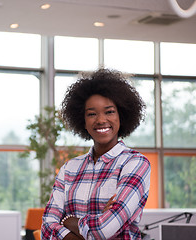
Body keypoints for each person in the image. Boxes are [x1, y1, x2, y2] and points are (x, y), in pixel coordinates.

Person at [41, 68, 151, 240]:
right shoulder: (69, 168)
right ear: (83, 121)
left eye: (109, 112)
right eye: (92, 114)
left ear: (120, 116)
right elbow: (47, 227)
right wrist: (96, 224)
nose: (100, 120)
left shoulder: (136, 163)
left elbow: (104, 229)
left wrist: (69, 221)